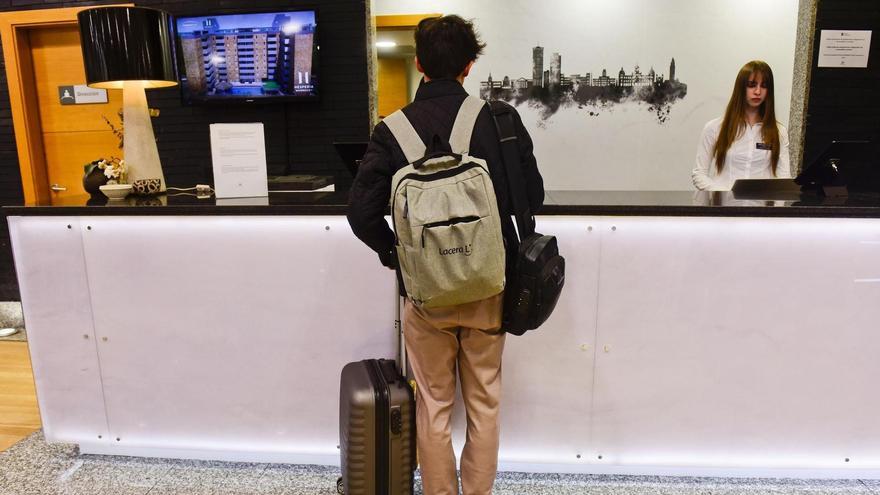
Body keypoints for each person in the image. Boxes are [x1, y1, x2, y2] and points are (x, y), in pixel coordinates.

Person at [347, 15, 544, 495]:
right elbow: (531, 197)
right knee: (485, 404)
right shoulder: (499, 121)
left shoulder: (391, 131)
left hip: (426, 297)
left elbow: (360, 214)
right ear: (469, 65)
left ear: (418, 63)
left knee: (432, 405)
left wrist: (397, 255)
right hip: (487, 290)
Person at [693, 60, 791, 191]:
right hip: (724, 208)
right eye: (752, 85)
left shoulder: (779, 132)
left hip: (761, 209)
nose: (758, 91)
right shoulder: (715, 128)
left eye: (764, 86)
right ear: (741, 87)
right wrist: (725, 193)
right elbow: (699, 174)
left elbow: (784, 178)